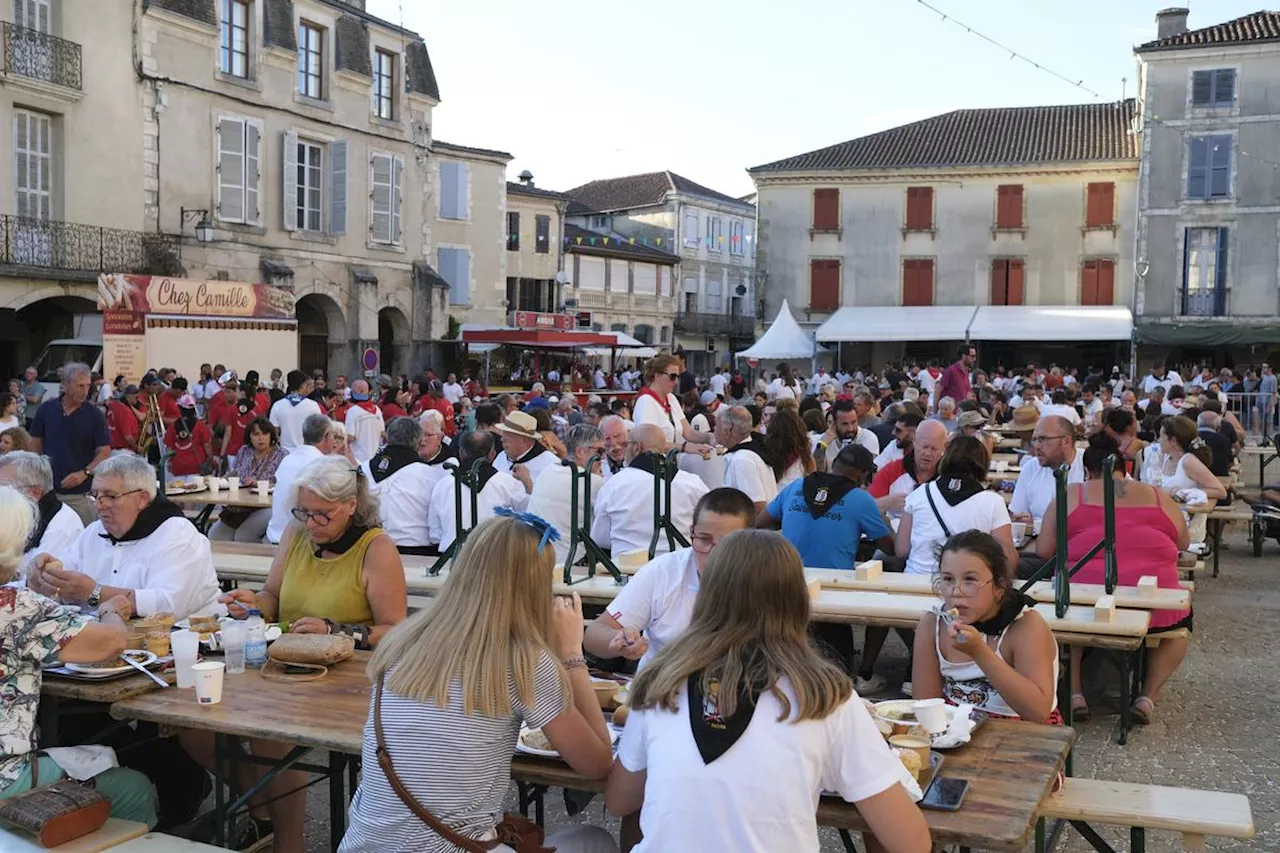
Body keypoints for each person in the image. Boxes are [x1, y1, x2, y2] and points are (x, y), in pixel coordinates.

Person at [606, 530, 931, 853]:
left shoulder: (659, 679)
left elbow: (620, 801)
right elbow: (911, 842)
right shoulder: (826, 696)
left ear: (706, 595)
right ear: (798, 599)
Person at [339, 515, 616, 853]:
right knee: (595, 841)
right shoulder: (523, 662)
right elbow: (598, 763)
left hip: (362, 845)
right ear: (535, 587)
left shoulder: (401, 641)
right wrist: (572, 656)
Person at [210, 456, 407, 852]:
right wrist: (252, 605)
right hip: (284, 667)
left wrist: (336, 629)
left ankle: (288, 841)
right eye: (304, 512)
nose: (311, 523)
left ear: (351, 505)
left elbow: (397, 631)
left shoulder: (376, 548)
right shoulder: (296, 534)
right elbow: (273, 597)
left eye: (323, 515)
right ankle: (263, 811)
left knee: (269, 735)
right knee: (201, 726)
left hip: (347, 681)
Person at [0, 485, 158, 826]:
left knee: (88, 757)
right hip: (6, 780)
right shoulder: (14, 607)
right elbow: (111, 642)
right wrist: (110, 608)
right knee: (134, 787)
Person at [1037, 433, 1190, 723]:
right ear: (1126, 469)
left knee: (1072, 605)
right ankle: (1147, 697)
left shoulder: (1072, 493)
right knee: (1180, 624)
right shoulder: (1158, 496)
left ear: (1087, 471)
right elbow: (1183, 542)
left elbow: (1045, 551)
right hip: (1153, 602)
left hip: (1083, 600)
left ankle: (1077, 691)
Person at [759, 444, 893, 688]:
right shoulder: (861, 500)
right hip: (833, 593)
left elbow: (759, 524)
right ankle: (850, 680)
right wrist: (880, 514)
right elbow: (892, 547)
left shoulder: (795, 487)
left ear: (834, 464)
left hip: (788, 584)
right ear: (863, 475)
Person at [26, 453, 222, 620]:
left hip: (185, 645)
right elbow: (65, 581)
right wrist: (41, 578)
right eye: (95, 495)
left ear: (142, 498)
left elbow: (169, 606)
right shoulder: (93, 533)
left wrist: (95, 593)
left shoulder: (176, 533)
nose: (99, 505)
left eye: (110, 496)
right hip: (107, 643)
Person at [912, 530, 1059, 723]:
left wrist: (980, 652)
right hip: (958, 729)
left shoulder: (1025, 626)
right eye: (948, 579)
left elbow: (1038, 712)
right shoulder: (933, 624)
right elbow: (926, 706)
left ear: (999, 587)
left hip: (1025, 733)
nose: (957, 591)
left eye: (970, 580)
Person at [899, 436, 1016, 578]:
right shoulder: (993, 502)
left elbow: (902, 550)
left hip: (915, 581)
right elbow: (1007, 558)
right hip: (966, 587)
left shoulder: (918, 494)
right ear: (983, 464)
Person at [591, 423, 709, 560]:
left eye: (626, 444)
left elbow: (600, 538)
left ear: (636, 447)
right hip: (679, 566)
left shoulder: (614, 485)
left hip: (629, 570)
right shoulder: (693, 483)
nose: (624, 449)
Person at [28, 362, 110, 525]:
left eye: (87, 385)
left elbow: (104, 451)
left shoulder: (94, 415)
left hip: (79, 495)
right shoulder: (46, 410)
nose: (85, 391)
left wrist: (84, 473)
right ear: (65, 385)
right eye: (80, 385)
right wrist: (38, 474)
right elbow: (35, 443)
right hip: (49, 492)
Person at [427, 430, 529, 553]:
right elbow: (529, 517)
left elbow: (435, 535)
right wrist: (527, 481)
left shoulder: (443, 485)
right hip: (493, 559)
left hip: (452, 560)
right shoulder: (508, 483)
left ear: (460, 453)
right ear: (492, 454)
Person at [362, 417, 444, 556]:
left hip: (368, 550)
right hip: (416, 553)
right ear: (419, 441)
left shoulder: (362, 469)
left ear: (387, 437)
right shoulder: (431, 476)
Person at [528, 424, 605, 568]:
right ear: (580, 452)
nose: (603, 457)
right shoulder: (592, 481)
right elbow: (605, 529)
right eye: (600, 451)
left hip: (534, 555)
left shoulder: (548, 470)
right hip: (568, 561)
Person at [0, 451, 84, 580]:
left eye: (5, 488)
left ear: (34, 492)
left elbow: (35, 580)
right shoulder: (14, 513)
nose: (2, 494)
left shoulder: (62, 526)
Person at [209, 418, 287, 543]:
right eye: (256, 434)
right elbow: (235, 472)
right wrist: (219, 481)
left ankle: (254, 561)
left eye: (264, 434)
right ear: (249, 436)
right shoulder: (244, 451)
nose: (260, 438)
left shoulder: (282, 454)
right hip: (240, 506)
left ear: (271, 435)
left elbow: (284, 484)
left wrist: (258, 483)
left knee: (243, 536)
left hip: (267, 506)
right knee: (215, 536)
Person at [267, 413, 336, 545]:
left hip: (275, 534)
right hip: (300, 541)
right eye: (333, 435)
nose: (334, 440)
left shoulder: (287, 459)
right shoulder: (322, 464)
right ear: (326, 435)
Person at [1008, 414, 1086, 526]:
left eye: (1043, 439)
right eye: (1035, 440)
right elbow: (1018, 515)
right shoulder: (1030, 468)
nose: (1036, 446)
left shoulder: (1088, 464)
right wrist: (1023, 522)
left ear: (1066, 441)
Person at [632, 354, 714, 451]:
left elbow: (689, 433)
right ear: (657, 375)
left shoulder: (671, 398)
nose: (676, 382)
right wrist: (684, 447)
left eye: (678, 377)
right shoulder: (645, 402)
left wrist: (710, 437)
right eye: (673, 377)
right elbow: (649, 443)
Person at [715, 406, 777, 513]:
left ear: (727, 430)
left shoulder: (741, 460)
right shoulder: (752, 451)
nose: (714, 429)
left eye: (716, 426)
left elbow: (757, 506)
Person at [493, 410, 558, 488]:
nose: (502, 439)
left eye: (508, 435)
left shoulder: (551, 465)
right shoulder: (501, 457)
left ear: (524, 441)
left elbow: (549, 498)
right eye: (503, 434)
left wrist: (527, 482)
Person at [817, 399, 880, 472]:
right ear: (834, 423)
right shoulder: (825, 439)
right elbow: (817, 473)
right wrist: (822, 446)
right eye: (845, 424)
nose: (850, 428)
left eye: (853, 422)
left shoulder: (868, 437)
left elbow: (857, 473)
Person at [269, 369, 325, 451]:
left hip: (285, 453)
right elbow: (319, 430)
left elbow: (273, 432)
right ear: (302, 386)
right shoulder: (313, 405)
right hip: (307, 451)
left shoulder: (277, 405)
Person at [164, 394, 213, 477]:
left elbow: (169, 448)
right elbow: (207, 445)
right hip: (196, 467)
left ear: (180, 408)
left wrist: (169, 462)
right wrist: (210, 460)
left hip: (178, 468)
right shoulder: (200, 425)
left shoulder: (172, 426)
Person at [343, 378, 386, 466]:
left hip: (358, 460)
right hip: (374, 459)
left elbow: (351, 437)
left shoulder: (352, 411)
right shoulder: (377, 409)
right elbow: (382, 432)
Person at [106, 383, 143, 453]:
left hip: (113, 449)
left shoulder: (113, 405)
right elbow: (128, 437)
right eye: (136, 397)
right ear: (128, 396)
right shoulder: (124, 411)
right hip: (124, 451)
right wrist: (137, 448)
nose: (138, 400)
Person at [937, 345, 975, 410]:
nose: (974, 359)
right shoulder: (951, 370)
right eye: (972, 356)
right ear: (964, 356)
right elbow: (938, 390)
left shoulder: (966, 372)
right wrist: (935, 412)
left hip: (961, 412)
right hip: (949, 413)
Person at [599, 414, 629, 480]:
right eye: (607, 438)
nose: (613, 443)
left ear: (627, 435)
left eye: (617, 436)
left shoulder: (639, 461)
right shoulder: (597, 466)